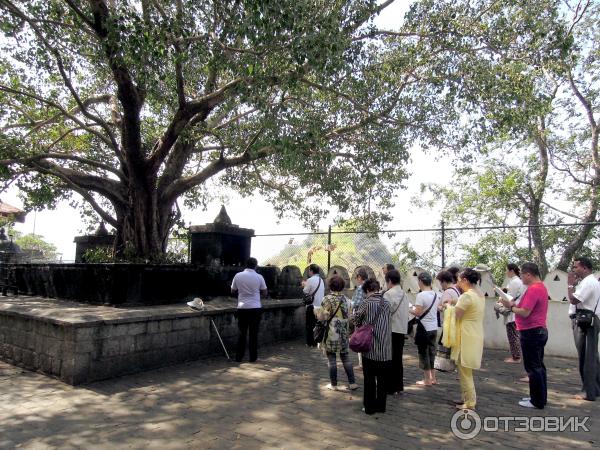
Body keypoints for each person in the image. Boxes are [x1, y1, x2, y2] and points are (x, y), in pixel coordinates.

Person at [500, 262, 549, 409]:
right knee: (539, 366)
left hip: (532, 331)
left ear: (528, 274)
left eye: (522, 274)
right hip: (537, 330)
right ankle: (539, 397)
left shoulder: (534, 289)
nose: (520, 277)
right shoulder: (541, 287)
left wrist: (511, 307)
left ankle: (537, 401)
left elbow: (525, 312)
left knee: (533, 367)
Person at [353, 278, 392, 414]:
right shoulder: (387, 303)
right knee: (382, 380)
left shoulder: (366, 302)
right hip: (385, 348)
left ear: (368, 290)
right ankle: (381, 406)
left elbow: (356, 319)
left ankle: (369, 407)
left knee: (369, 379)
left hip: (370, 348)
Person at [449, 268, 485, 410]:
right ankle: (467, 398)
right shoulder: (479, 294)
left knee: (464, 370)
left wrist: (447, 307)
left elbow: (455, 315)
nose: (457, 283)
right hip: (475, 333)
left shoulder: (467, 296)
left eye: (459, 280)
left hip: (466, 335)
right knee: (466, 369)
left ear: (465, 280)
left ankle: (470, 403)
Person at [316, 275, 358, 391]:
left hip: (331, 334)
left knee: (332, 360)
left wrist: (317, 313)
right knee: (346, 359)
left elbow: (323, 317)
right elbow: (350, 318)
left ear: (330, 286)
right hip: (343, 335)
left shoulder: (327, 299)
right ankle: (352, 383)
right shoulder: (347, 300)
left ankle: (333, 385)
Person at [567, 256, 600, 401]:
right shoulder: (589, 282)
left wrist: (570, 285)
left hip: (586, 322)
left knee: (587, 357)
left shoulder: (588, 282)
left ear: (585, 267)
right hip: (587, 321)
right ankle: (595, 388)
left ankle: (588, 392)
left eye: (576, 267)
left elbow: (574, 299)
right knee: (591, 356)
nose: (574, 270)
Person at [231, 257, 267, 362]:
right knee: (253, 334)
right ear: (256, 265)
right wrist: (257, 296)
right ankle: (253, 357)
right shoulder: (259, 277)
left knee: (242, 333)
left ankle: (239, 357)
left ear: (245, 265)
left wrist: (242, 293)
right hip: (255, 308)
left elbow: (233, 290)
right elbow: (265, 292)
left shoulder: (238, 275)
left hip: (242, 308)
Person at [411, 272, 440, 386]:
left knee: (424, 353)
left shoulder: (421, 295)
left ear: (421, 282)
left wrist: (409, 309)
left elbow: (417, 313)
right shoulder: (436, 294)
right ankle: (433, 378)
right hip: (434, 327)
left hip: (423, 328)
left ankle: (427, 380)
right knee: (432, 352)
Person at [384, 269, 408, 394]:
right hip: (401, 330)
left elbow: (384, 313)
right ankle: (398, 386)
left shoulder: (388, 294)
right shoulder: (405, 294)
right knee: (398, 359)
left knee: (389, 358)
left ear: (390, 281)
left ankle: (389, 387)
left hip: (390, 330)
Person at [435, 270, 460, 372]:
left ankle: (444, 366)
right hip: (455, 322)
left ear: (444, 281)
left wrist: (439, 307)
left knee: (445, 346)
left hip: (448, 322)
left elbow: (445, 307)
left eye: (441, 282)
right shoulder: (456, 291)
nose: (441, 285)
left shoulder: (448, 292)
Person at [503, 263, 525, 363]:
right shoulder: (515, 281)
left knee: (513, 334)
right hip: (515, 310)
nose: (506, 272)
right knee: (514, 334)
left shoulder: (515, 282)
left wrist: (502, 298)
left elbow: (509, 297)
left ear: (511, 271)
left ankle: (516, 357)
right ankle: (516, 355)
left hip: (513, 310)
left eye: (507, 270)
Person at [302, 264, 325, 347]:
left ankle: (310, 343)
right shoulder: (321, 280)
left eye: (309, 270)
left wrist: (304, 285)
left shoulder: (310, 280)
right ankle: (317, 342)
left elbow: (305, 292)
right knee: (317, 325)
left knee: (310, 325)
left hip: (311, 306)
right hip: (320, 306)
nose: (309, 272)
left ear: (311, 271)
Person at [351, 268, 368, 368]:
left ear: (360, 277)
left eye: (356, 278)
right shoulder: (370, 286)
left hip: (360, 317)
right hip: (369, 316)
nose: (356, 280)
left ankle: (361, 364)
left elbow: (356, 303)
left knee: (360, 340)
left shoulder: (360, 288)